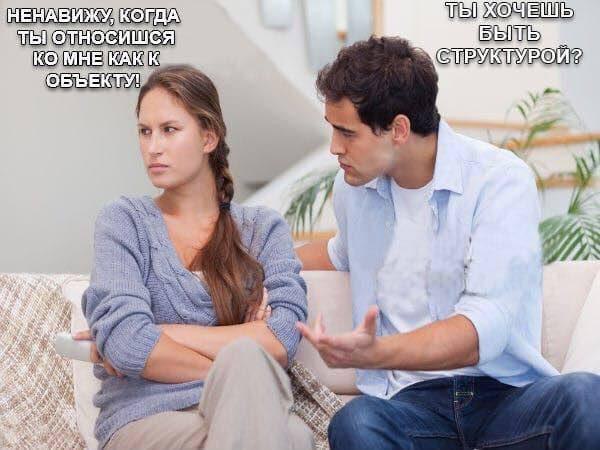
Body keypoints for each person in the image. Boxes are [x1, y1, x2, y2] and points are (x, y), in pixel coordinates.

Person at [295, 36, 600, 450]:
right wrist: (256, 267)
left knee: (585, 396)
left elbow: (484, 327)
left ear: (398, 129)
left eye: (347, 133)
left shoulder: (498, 180)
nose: (335, 148)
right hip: (412, 407)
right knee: (357, 422)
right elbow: (340, 253)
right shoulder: (354, 190)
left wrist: (378, 353)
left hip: (505, 397)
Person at [74, 64, 313, 450]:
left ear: (208, 137)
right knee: (283, 425)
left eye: (169, 130)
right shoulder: (124, 221)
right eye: (145, 131)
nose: (153, 147)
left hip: (246, 413)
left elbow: (282, 339)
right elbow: (126, 342)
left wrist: (158, 332)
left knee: (292, 432)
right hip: (147, 418)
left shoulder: (262, 229)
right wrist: (240, 369)